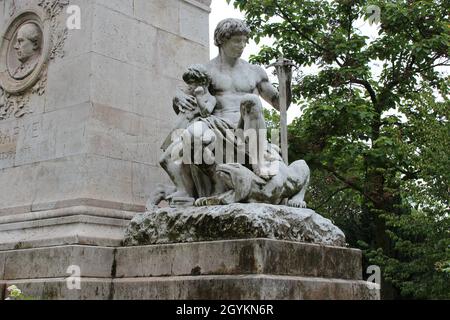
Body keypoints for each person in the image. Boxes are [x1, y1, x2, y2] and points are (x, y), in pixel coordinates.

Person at [160, 18, 291, 201]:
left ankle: (259, 160)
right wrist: (178, 97)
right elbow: (186, 97)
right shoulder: (207, 71)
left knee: (251, 99)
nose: (242, 45)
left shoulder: (254, 71)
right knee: (192, 134)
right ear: (222, 40)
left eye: (245, 41)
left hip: (244, 125)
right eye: (237, 41)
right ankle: (216, 185)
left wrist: (286, 80)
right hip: (215, 122)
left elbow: (280, 104)